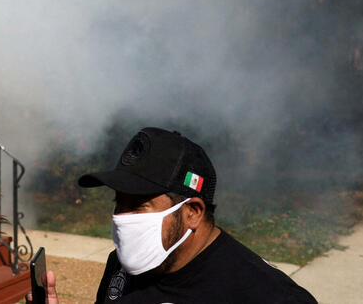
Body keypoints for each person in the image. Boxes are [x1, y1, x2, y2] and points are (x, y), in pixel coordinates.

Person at [34, 127, 317, 303]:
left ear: (193, 212)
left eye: (139, 205)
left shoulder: (265, 294)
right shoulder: (120, 266)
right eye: (119, 202)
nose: (122, 218)